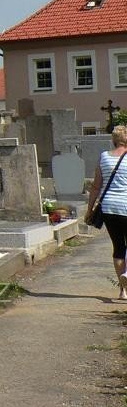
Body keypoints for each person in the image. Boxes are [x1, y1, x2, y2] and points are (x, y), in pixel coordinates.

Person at [91, 125, 127, 301]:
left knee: (118, 246)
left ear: (113, 140)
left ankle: (123, 290)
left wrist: (90, 208)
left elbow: (96, 185)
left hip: (108, 207)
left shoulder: (104, 157)